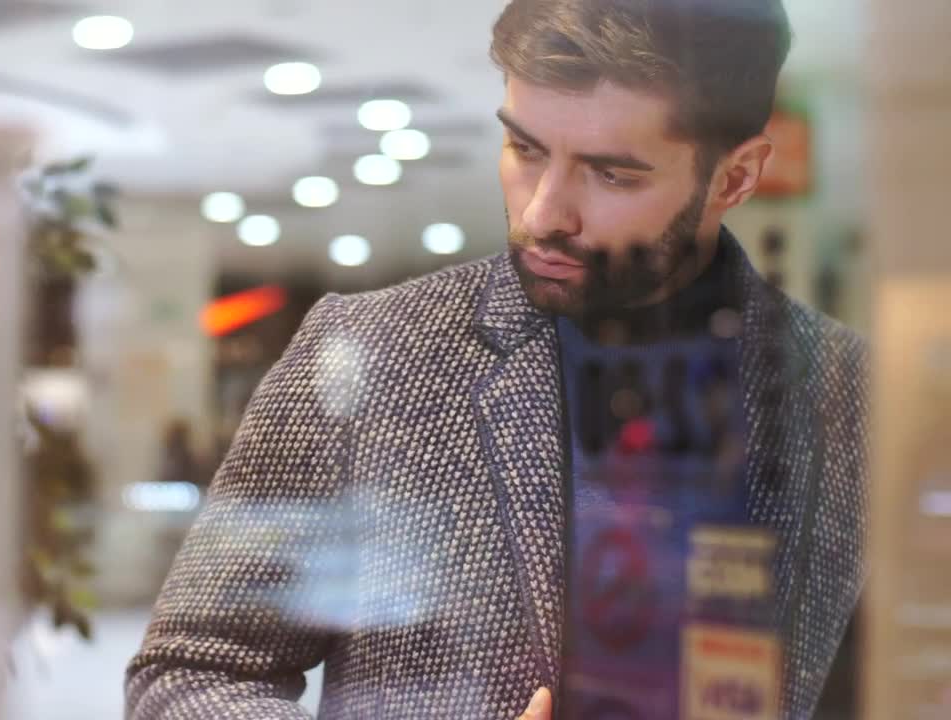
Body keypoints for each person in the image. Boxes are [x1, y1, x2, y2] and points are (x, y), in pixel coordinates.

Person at [126, 1, 867, 718]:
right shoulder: (372, 351)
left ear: (735, 179)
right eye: (525, 148)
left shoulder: (860, 400)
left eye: (613, 174)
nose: (544, 213)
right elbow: (192, 671)